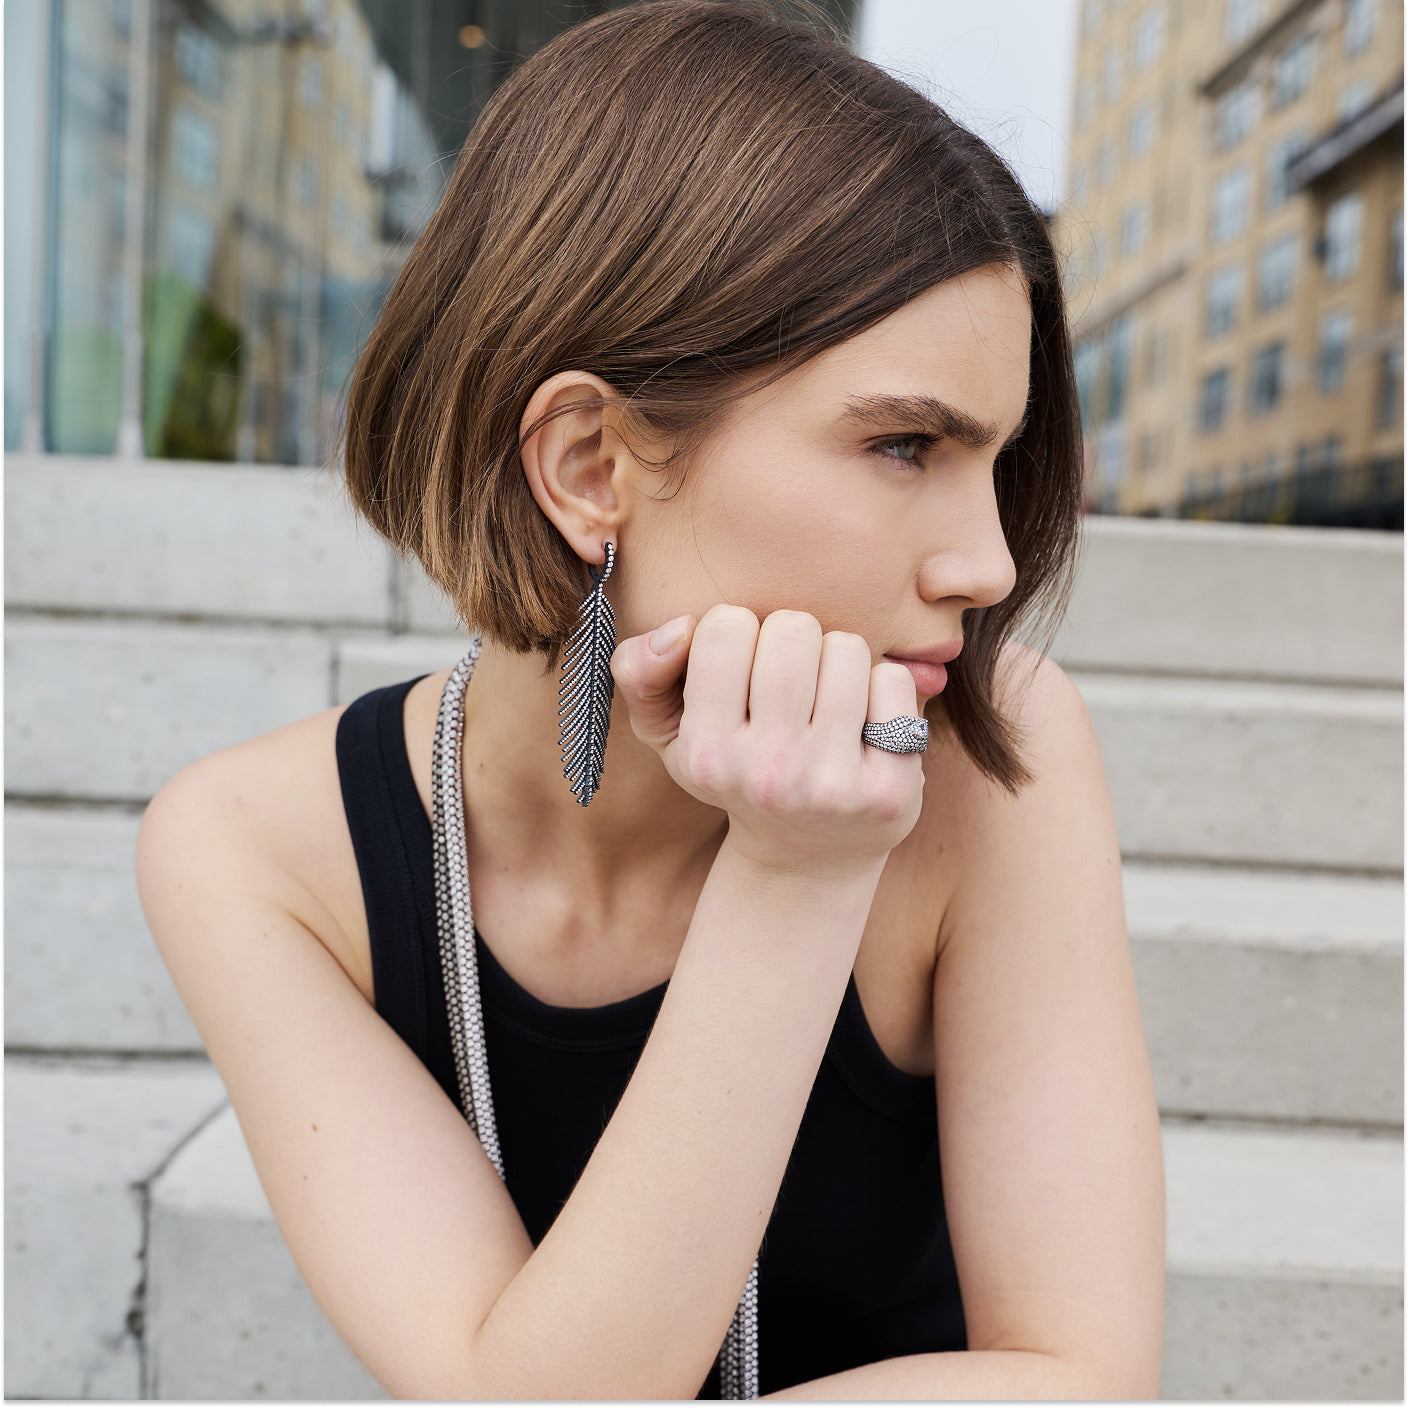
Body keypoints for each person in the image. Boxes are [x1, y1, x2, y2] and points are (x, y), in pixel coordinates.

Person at [135, 0, 1166, 1398]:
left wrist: (811, 862)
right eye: (905, 443)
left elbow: (1080, 1376)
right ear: (590, 464)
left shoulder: (995, 762)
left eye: (996, 462)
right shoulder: (259, 852)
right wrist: (795, 877)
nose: (987, 565)